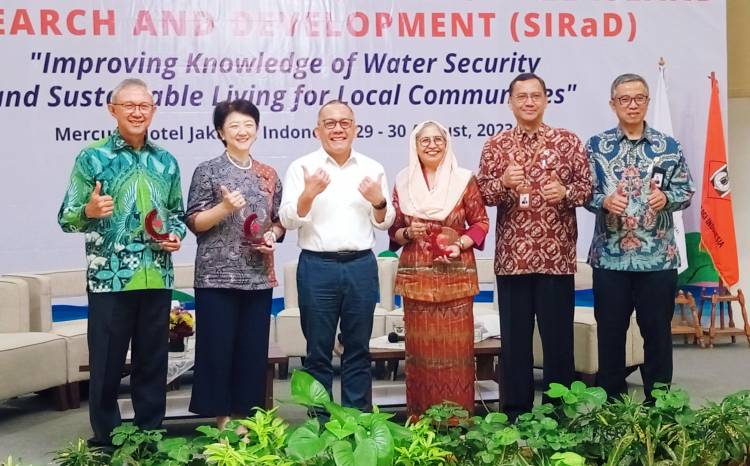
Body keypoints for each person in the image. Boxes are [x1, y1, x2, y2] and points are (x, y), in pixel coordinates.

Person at [58, 78, 186, 447]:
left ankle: (149, 433)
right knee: (107, 365)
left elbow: (176, 213)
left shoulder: (166, 161)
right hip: (110, 279)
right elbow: (66, 217)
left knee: (152, 362)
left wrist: (175, 234)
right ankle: (108, 438)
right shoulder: (92, 157)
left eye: (143, 106)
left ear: (153, 111)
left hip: (156, 275)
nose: (136, 112)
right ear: (113, 110)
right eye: (128, 105)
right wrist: (89, 209)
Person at [476, 73, 592, 421]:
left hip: (556, 259)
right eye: (522, 96)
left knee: (558, 342)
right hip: (513, 260)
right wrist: (503, 182)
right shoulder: (496, 145)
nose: (529, 102)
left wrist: (567, 194)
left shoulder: (567, 142)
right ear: (510, 102)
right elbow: (482, 195)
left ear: (545, 100)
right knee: (515, 343)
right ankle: (516, 413)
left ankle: (560, 414)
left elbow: (588, 190)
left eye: (535, 96)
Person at [279, 100, 395, 411]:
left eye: (345, 122)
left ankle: (357, 424)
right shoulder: (301, 168)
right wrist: (308, 194)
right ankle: (321, 426)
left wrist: (379, 201)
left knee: (358, 349)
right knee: (317, 352)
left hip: (360, 266)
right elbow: (288, 220)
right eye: (330, 123)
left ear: (355, 129)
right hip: (317, 267)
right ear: (318, 130)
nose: (338, 128)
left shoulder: (372, 168)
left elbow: (385, 221)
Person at [585, 73, 694, 401]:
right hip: (610, 258)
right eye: (624, 99)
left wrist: (668, 198)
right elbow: (582, 191)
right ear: (612, 103)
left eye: (639, 98)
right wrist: (602, 201)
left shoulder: (668, 146)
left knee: (657, 336)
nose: (632, 105)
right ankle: (613, 410)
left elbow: (685, 188)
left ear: (648, 101)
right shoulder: (595, 145)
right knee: (611, 336)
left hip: (658, 258)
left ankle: (658, 406)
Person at [185, 99, 285, 428]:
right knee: (218, 350)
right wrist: (224, 208)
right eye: (234, 126)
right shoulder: (208, 170)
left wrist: (273, 236)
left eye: (248, 125)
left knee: (252, 352)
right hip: (215, 276)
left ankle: (246, 418)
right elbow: (196, 221)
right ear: (220, 133)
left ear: (256, 129)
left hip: (257, 276)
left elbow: (277, 221)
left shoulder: (268, 174)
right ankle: (222, 418)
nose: (242, 131)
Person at [388, 120, 489, 418]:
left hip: (455, 277)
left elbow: (481, 223)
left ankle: (457, 422)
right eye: (424, 141)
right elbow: (394, 230)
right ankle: (420, 420)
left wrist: (460, 243)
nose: (432, 145)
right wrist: (410, 233)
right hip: (417, 280)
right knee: (420, 355)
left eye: (438, 140)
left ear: (447, 143)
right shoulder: (403, 181)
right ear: (414, 146)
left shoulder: (464, 180)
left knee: (455, 355)